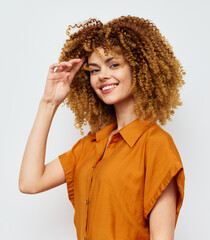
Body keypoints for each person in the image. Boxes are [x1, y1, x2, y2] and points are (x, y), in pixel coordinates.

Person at [19, 16, 185, 240]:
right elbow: (30, 182)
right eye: (94, 70)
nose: (103, 76)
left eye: (114, 64)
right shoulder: (91, 145)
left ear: (139, 68)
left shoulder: (155, 144)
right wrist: (49, 102)